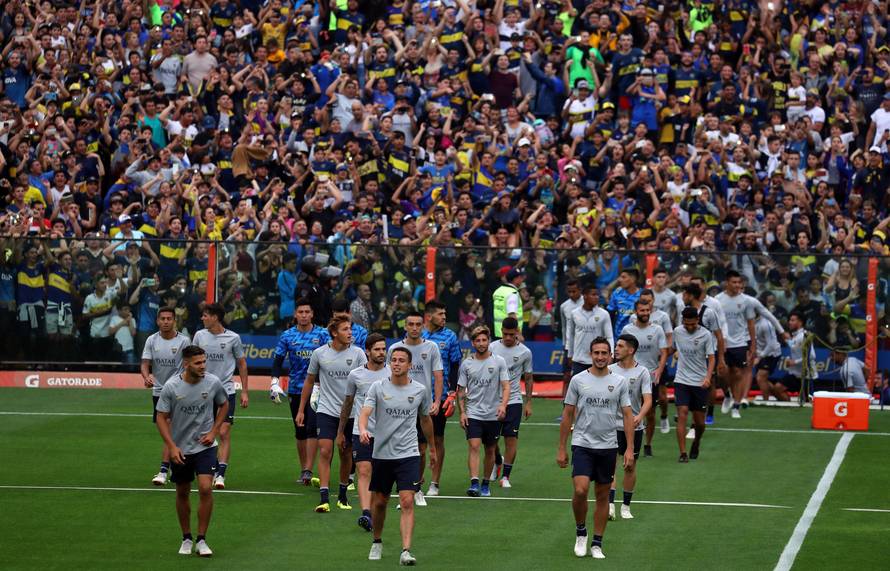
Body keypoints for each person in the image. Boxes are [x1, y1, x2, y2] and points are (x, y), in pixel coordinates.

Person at [557, 336, 634, 560]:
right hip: (582, 443)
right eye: (596, 353)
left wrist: (629, 449)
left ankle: (597, 544)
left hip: (608, 446)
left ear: (610, 355)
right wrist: (561, 448)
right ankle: (581, 532)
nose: (600, 357)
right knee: (580, 489)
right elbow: (567, 414)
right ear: (591, 355)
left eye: (604, 353)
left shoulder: (619, 382)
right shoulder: (578, 380)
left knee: (602, 495)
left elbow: (628, 415)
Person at [359, 346, 436, 566]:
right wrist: (363, 429)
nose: (397, 363)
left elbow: (425, 420)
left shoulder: (420, 390)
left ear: (410, 365)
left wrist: (432, 448)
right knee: (381, 502)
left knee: (407, 500)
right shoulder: (377, 387)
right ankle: (377, 541)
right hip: (382, 453)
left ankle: (405, 551)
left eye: (402, 360)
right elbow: (365, 412)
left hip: (409, 453)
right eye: (394, 360)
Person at [155, 345, 228, 557]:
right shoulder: (171, 387)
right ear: (186, 364)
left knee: (206, 488)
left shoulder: (213, 382)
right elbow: (161, 417)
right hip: (181, 449)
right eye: (198, 363)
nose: (203, 366)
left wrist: (214, 431)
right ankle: (186, 537)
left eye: (204, 361)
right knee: (182, 492)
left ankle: (202, 539)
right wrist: (171, 446)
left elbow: (223, 405)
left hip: (205, 447)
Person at [297, 315, 367, 512]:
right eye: (345, 329)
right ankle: (324, 498)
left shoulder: (359, 353)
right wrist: (302, 409)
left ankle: (343, 494)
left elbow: (364, 381)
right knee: (326, 450)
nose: (350, 333)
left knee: (345, 453)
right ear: (334, 333)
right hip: (326, 410)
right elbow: (310, 381)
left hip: (352, 412)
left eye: (350, 329)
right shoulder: (319, 354)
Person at [270, 298, 330, 485]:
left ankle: (309, 469)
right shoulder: (287, 336)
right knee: (300, 431)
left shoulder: (322, 334)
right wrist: (274, 382)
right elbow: (278, 360)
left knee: (313, 428)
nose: (304, 315)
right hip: (295, 388)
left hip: (319, 389)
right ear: (296, 314)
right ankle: (304, 468)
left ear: (312, 314)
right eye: (300, 312)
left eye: (307, 312)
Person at [387, 311, 443, 506]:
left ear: (423, 326)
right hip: (398, 406)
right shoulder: (395, 348)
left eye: (418, 324)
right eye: (410, 324)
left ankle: (416, 488)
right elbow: (388, 375)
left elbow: (438, 376)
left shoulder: (432, 347)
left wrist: (436, 401)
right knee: (396, 449)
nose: (414, 328)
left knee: (420, 449)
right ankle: (402, 489)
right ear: (405, 326)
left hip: (423, 407)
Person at [191, 303, 249, 489]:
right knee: (205, 433)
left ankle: (221, 474)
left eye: (206, 315)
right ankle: (210, 466)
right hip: (202, 392)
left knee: (223, 432)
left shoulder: (233, 338)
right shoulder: (200, 336)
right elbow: (192, 361)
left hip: (226, 392)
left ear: (215, 317)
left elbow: (241, 364)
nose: (203, 318)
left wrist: (245, 392)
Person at [338, 333, 390, 532]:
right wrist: (341, 432)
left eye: (383, 349)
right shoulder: (356, 375)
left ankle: (376, 509)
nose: (381, 353)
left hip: (387, 434)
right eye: (377, 349)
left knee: (380, 478)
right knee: (363, 471)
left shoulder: (392, 374)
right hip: (362, 432)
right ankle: (366, 514)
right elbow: (348, 404)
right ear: (367, 352)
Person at [457, 325, 510, 498]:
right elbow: (461, 390)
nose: (481, 343)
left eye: (484, 340)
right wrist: (462, 412)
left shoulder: (499, 361)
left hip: (493, 414)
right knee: (474, 446)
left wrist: (503, 405)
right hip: (473, 413)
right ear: (472, 343)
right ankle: (474, 483)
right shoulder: (467, 364)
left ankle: (485, 483)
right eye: (477, 340)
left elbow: (506, 386)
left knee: (490, 449)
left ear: (488, 341)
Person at [141, 306, 191, 486]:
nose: (166, 322)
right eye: (162, 319)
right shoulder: (151, 340)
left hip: (179, 391)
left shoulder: (184, 341)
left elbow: (189, 364)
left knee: (169, 431)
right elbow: (145, 363)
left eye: (169, 319)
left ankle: (163, 470)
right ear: (157, 321)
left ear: (174, 321)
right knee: (171, 433)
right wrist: (146, 377)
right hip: (158, 391)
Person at [607, 334, 651, 520]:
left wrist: (639, 417)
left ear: (631, 350)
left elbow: (648, 400)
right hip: (610, 426)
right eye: (616, 345)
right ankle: (610, 505)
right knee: (610, 466)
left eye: (620, 346)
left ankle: (626, 506)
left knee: (630, 466)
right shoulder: (608, 369)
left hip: (633, 427)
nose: (616, 349)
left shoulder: (642, 372)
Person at [421, 300, 462, 497]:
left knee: (437, 439)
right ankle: (415, 480)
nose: (444, 317)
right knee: (416, 442)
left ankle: (434, 483)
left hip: (439, 396)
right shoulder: (417, 335)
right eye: (441, 314)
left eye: (445, 313)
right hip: (416, 396)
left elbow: (455, 365)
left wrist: (452, 393)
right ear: (429, 316)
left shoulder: (450, 336)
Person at [489, 316, 534, 488]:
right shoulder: (492, 348)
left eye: (511, 334)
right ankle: (497, 461)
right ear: (501, 332)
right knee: (491, 441)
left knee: (511, 438)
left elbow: (528, 378)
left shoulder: (525, 352)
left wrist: (529, 402)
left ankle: (506, 477)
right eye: (505, 334)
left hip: (514, 400)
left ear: (517, 332)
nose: (508, 338)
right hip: (492, 400)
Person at [623, 300, 668, 457]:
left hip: (650, 377)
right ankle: (628, 443)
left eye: (647, 310)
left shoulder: (657, 329)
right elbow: (621, 352)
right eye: (641, 310)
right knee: (628, 410)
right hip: (630, 377)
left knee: (649, 413)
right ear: (636, 311)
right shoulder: (627, 329)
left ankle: (648, 443)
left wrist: (659, 371)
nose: (645, 313)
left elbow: (664, 352)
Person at [673, 307, 716, 463]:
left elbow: (711, 358)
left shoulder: (705, 335)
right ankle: (683, 453)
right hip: (681, 380)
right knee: (682, 412)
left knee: (699, 422)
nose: (689, 327)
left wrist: (708, 378)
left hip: (700, 382)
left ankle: (696, 442)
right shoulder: (677, 331)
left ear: (697, 320)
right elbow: (671, 348)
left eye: (692, 324)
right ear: (683, 321)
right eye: (687, 324)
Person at [715, 271, 757, 419]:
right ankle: (727, 394)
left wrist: (753, 345)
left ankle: (736, 406)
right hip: (722, 342)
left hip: (740, 342)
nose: (737, 285)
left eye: (739, 283)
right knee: (722, 373)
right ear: (727, 283)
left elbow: (751, 324)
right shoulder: (717, 300)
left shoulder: (746, 301)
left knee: (738, 373)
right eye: (734, 282)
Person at [565, 283, 614, 377]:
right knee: (579, 389)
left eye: (597, 295)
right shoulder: (574, 313)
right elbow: (571, 336)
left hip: (598, 359)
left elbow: (609, 337)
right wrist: (570, 354)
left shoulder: (604, 314)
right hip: (579, 359)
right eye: (593, 295)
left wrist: (611, 356)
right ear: (585, 296)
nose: (597, 297)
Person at [780, 312, 818, 401]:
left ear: (800, 322)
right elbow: (794, 346)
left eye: (793, 320)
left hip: (807, 376)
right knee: (778, 388)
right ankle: (789, 410)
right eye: (789, 320)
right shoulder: (795, 336)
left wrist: (794, 362)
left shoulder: (804, 336)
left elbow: (812, 356)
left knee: (808, 403)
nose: (789, 322)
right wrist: (788, 340)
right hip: (795, 374)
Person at [559, 279, 583, 403]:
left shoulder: (587, 303)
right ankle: (565, 402)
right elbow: (564, 327)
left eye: (574, 291)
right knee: (567, 375)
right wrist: (566, 345)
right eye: (569, 292)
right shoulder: (564, 306)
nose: (572, 294)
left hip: (585, 346)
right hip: (569, 346)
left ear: (580, 290)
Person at [753, 312, 784, 402]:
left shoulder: (766, 324)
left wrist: (759, 357)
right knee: (763, 380)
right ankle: (780, 397)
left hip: (771, 353)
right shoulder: (751, 321)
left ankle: (765, 402)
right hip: (760, 353)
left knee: (760, 377)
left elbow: (771, 344)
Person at [492, 267, 525, 337]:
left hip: (498, 332)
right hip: (510, 335)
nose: (522, 279)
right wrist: (518, 334)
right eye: (521, 277)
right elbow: (512, 315)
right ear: (516, 279)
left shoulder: (498, 291)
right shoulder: (512, 293)